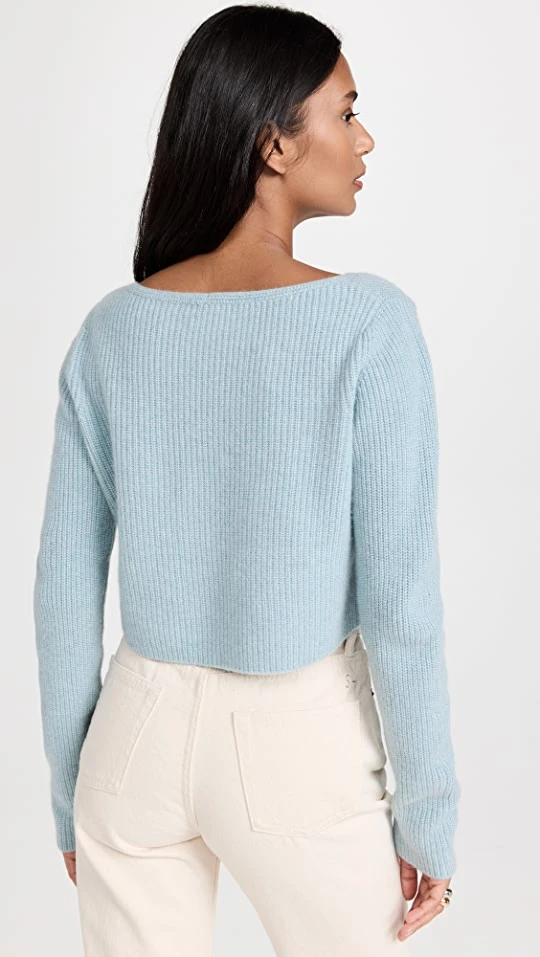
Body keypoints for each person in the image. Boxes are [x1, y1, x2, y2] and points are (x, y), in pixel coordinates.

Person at [33, 4, 460, 954]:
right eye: (346, 111)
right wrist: (429, 814)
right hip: (297, 748)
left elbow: (63, 592)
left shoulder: (112, 330)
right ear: (273, 144)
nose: (364, 138)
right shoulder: (370, 325)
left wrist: (70, 793)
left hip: (133, 742)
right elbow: (401, 603)